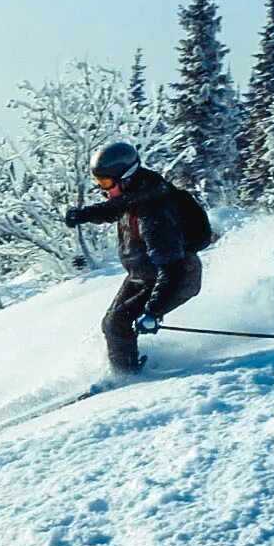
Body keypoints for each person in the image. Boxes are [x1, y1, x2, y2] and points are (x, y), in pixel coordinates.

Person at [65, 141, 203, 374]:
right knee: (111, 324)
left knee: (116, 324)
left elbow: (172, 268)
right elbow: (115, 208)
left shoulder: (153, 213)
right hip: (142, 275)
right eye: (99, 182)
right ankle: (125, 367)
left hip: (175, 277)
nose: (103, 189)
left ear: (127, 177)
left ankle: (127, 378)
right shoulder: (137, 193)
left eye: (106, 182)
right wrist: (85, 214)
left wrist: (153, 311)